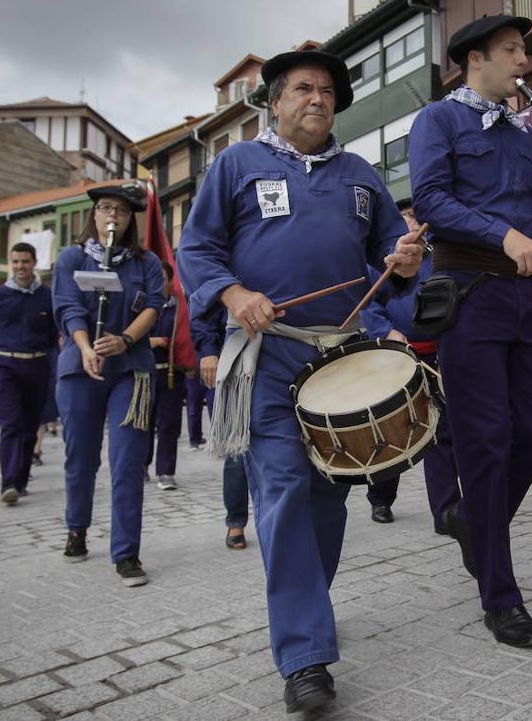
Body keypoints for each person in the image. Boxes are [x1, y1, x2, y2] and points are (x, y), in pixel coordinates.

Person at [178, 49, 423, 713]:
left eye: (327, 91)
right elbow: (196, 249)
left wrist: (402, 262)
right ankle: (306, 655)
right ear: (275, 102)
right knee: (283, 491)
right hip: (266, 353)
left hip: (341, 357)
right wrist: (232, 295)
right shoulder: (235, 165)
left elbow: (389, 259)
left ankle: (306, 608)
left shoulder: (361, 176)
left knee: (328, 499)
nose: (317, 98)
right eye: (303, 89)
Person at [408, 14, 532, 648]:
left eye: (524, 50)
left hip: (526, 296)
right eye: (512, 51)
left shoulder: (523, 135)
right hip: (470, 291)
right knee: (485, 441)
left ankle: (471, 516)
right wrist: (505, 235)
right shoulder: (439, 120)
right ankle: (501, 595)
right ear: (474, 59)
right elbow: (433, 200)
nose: (525, 61)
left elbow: (531, 214)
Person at [53, 182, 163, 587]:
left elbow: (154, 306)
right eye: (104, 208)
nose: (112, 216)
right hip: (81, 368)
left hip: (131, 370)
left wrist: (125, 340)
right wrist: (85, 346)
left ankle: (127, 553)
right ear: (93, 215)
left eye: (120, 210)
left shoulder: (145, 262)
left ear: (130, 219)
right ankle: (76, 529)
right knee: (80, 458)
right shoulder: (71, 258)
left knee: (129, 463)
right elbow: (66, 306)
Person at [359, 201, 462, 530]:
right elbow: (367, 305)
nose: (412, 230)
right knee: (394, 429)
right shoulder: (383, 263)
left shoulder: (437, 259)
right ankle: (381, 498)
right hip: (396, 355)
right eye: (405, 225)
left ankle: (445, 509)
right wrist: (387, 332)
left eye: (417, 224)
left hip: (440, 355)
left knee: (439, 430)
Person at [0, 243, 57, 505]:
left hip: (37, 365)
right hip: (5, 365)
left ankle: (22, 479)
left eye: (25, 261)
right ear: (10, 263)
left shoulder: (47, 296)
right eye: (15, 262)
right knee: (11, 424)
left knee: (29, 427)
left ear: (34, 262)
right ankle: (9, 482)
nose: (20, 267)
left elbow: (52, 335)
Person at [190, 304, 249, 548]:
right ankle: (235, 521)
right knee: (237, 447)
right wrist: (208, 352)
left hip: (284, 351)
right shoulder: (226, 270)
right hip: (235, 358)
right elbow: (203, 309)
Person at [145, 261, 186, 490]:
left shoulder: (179, 308)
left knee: (169, 424)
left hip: (172, 372)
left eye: (162, 278)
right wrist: (154, 341)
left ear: (171, 281)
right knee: (145, 423)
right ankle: (142, 465)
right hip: (144, 372)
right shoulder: (141, 304)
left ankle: (166, 472)